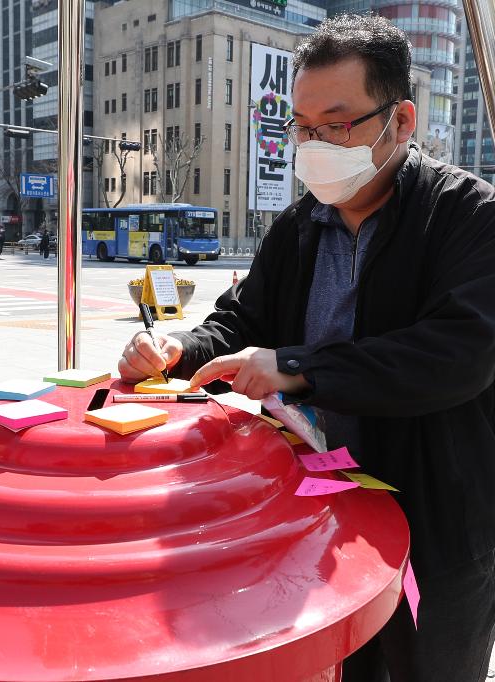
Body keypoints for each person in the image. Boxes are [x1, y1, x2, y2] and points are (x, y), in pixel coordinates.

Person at [120, 15, 495, 681]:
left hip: (437, 528)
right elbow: (240, 322)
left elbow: (456, 355)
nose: (314, 143)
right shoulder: (299, 227)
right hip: (318, 514)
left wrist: (295, 368)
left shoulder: (467, 216)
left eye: (338, 123)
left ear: (402, 121)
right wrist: (174, 347)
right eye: (301, 124)